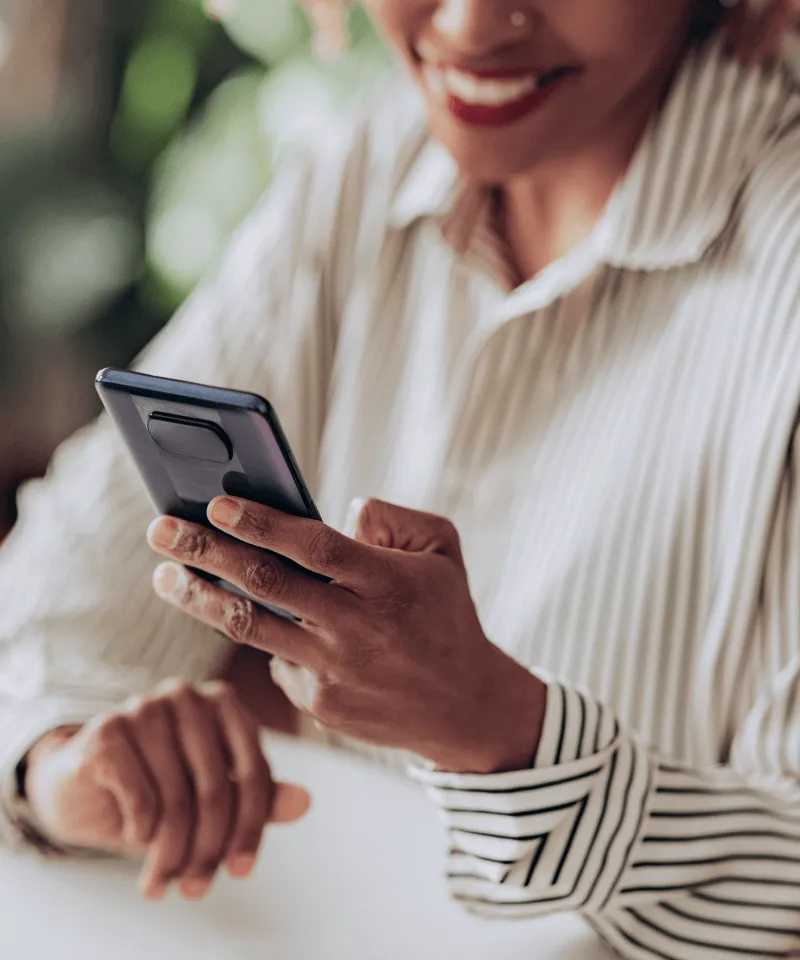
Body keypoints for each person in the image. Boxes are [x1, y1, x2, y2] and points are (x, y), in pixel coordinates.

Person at [1, 0, 800, 956]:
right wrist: (61, 765)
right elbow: (50, 587)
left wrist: (502, 731)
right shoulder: (370, 162)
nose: (464, 28)